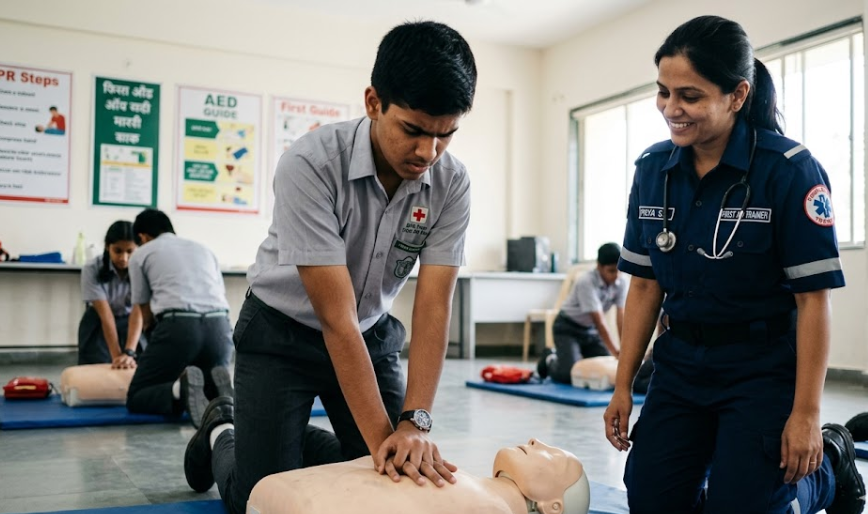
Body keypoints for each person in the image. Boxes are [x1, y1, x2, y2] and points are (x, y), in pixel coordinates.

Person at [183, 20, 477, 514]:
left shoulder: (452, 182)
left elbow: (433, 303)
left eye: (445, 136)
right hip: (281, 334)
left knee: (389, 477)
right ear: (372, 102)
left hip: (372, 331)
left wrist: (414, 425)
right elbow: (335, 320)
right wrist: (388, 442)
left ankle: (289, 441)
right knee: (258, 498)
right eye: (413, 130)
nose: (428, 152)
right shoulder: (311, 164)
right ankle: (224, 429)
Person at [603, 15, 865, 514]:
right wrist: (622, 385)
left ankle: (830, 462)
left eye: (690, 96)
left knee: (745, 505)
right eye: (663, 92)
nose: (671, 109)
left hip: (761, 368)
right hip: (680, 364)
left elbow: (813, 302)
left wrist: (806, 415)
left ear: (738, 95)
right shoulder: (653, 170)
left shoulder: (789, 171)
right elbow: (643, 287)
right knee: (653, 502)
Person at [245, 435, 589, 514]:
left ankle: (222, 428)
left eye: (552, 456)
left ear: (553, 507)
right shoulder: (468, 481)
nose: (535, 441)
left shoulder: (494, 509)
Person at [124, 209, 234, 425]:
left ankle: (178, 388)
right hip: (220, 329)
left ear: (142, 237)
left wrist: (153, 345)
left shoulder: (141, 254)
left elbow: (143, 310)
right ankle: (218, 390)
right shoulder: (204, 250)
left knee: (137, 395)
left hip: (179, 327)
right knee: (205, 380)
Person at [537, 242, 627, 384]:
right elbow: (599, 321)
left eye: (619, 270)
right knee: (569, 373)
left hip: (590, 332)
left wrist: (625, 348)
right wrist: (616, 351)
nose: (616, 276)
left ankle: (577, 355)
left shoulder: (621, 282)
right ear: (599, 267)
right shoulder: (586, 281)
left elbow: (621, 316)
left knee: (605, 366)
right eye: (611, 271)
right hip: (567, 328)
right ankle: (550, 359)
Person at [77, 220, 146, 366]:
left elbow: (137, 312)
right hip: (98, 322)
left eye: (130, 251)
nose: (123, 258)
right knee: (98, 365)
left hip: (131, 322)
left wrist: (129, 352)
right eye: (118, 251)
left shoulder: (142, 269)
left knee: (136, 364)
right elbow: (105, 316)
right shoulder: (92, 268)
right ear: (108, 247)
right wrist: (116, 357)